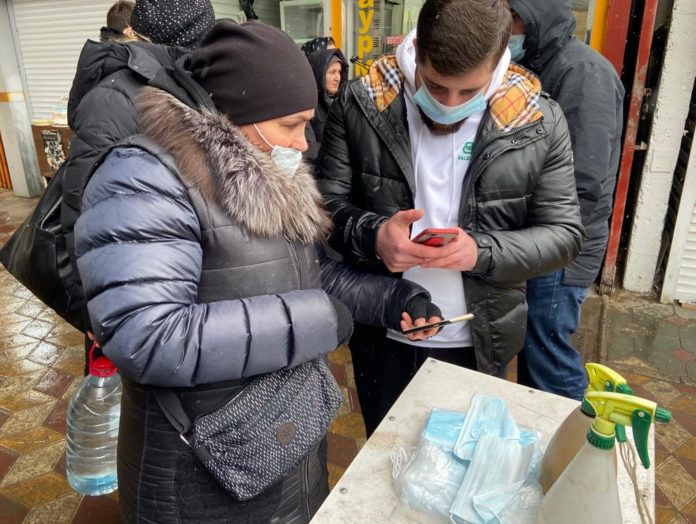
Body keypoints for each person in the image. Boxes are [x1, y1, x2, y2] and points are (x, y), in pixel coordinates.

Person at [74, 21, 442, 522]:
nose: (303, 143)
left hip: (282, 442)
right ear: (234, 117)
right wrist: (315, 321)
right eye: (291, 125)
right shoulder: (144, 179)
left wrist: (391, 299)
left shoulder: (264, 172)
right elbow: (147, 336)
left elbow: (306, 277)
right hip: (200, 472)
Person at [316, 0, 585, 435]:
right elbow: (324, 205)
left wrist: (481, 251)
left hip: (480, 337)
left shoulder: (536, 118)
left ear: (497, 65)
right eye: (436, 87)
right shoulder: (363, 101)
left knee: (466, 458)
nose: (449, 104)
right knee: (385, 453)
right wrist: (374, 236)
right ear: (417, 52)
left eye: (470, 92)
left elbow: (565, 234)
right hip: (384, 330)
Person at [62, 0, 215, 371]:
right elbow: (79, 206)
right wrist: (90, 309)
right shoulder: (114, 98)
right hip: (123, 285)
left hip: (173, 272)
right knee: (129, 391)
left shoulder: (185, 83)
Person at [507, 0, 624, 400]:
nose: (508, 29)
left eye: (514, 19)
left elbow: (584, 179)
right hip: (540, 239)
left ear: (537, 18)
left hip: (563, 246)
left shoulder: (583, 72)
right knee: (536, 346)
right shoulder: (537, 66)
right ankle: (544, 424)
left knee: (549, 357)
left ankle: (573, 431)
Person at [308, 48, 348, 146]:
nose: (337, 78)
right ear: (319, 74)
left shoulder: (345, 102)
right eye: (332, 72)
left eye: (339, 72)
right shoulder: (308, 107)